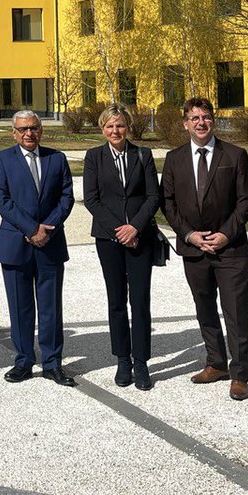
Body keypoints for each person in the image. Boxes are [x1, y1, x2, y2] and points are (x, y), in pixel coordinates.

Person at [161, 97, 248, 401]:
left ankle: (240, 374)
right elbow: (168, 203)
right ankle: (216, 363)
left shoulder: (235, 154)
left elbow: (246, 201)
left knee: (236, 312)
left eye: (206, 117)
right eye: (195, 118)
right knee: (205, 308)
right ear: (185, 123)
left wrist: (226, 235)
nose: (201, 123)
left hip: (230, 250)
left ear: (213, 121)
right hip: (194, 250)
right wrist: (188, 235)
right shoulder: (174, 158)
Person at [0, 109, 75, 386]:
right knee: (20, 306)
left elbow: (66, 197)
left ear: (41, 130)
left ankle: (52, 362)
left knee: (51, 307)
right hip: (16, 244)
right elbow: (1, 200)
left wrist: (46, 228)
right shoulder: (2, 160)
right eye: (23, 129)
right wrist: (31, 229)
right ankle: (24, 361)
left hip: (50, 243)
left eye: (34, 128)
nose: (29, 133)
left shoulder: (57, 158)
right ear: (13, 133)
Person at [83, 103, 160, 391]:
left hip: (140, 237)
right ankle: (123, 360)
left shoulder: (143, 155)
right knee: (116, 301)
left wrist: (135, 227)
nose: (115, 130)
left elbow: (153, 196)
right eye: (109, 126)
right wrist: (120, 230)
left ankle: (141, 362)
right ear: (102, 129)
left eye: (120, 125)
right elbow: (91, 199)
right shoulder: (94, 157)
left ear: (128, 127)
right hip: (108, 238)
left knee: (140, 301)